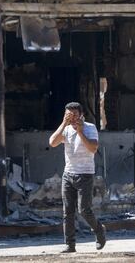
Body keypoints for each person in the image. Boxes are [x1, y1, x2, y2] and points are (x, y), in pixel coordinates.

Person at [49, 102, 106, 253]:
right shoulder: (66, 129)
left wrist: (81, 132)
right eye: (69, 115)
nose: (72, 119)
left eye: (75, 115)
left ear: (82, 115)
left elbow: (93, 148)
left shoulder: (90, 128)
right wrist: (63, 123)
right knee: (67, 211)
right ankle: (70, 244)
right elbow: (52, 142)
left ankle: (99, 230)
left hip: (85, 174)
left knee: (84, 210)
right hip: (68, 174)